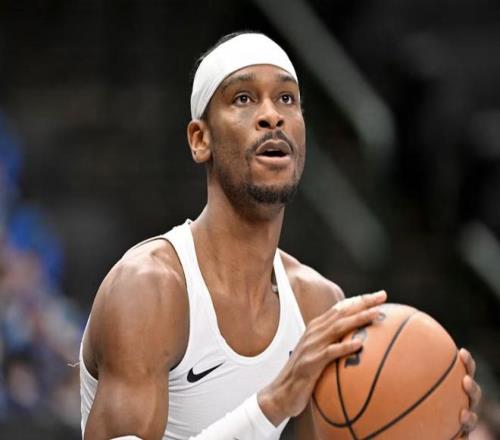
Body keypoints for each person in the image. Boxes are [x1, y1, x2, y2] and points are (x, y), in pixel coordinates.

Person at [79, 32, 481, 439]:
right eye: (243, 99)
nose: (272, 116)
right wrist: (271, 404)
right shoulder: (149, 289)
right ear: (201, 140)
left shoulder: (318, 304)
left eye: (287, 98)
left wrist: (435, 423)